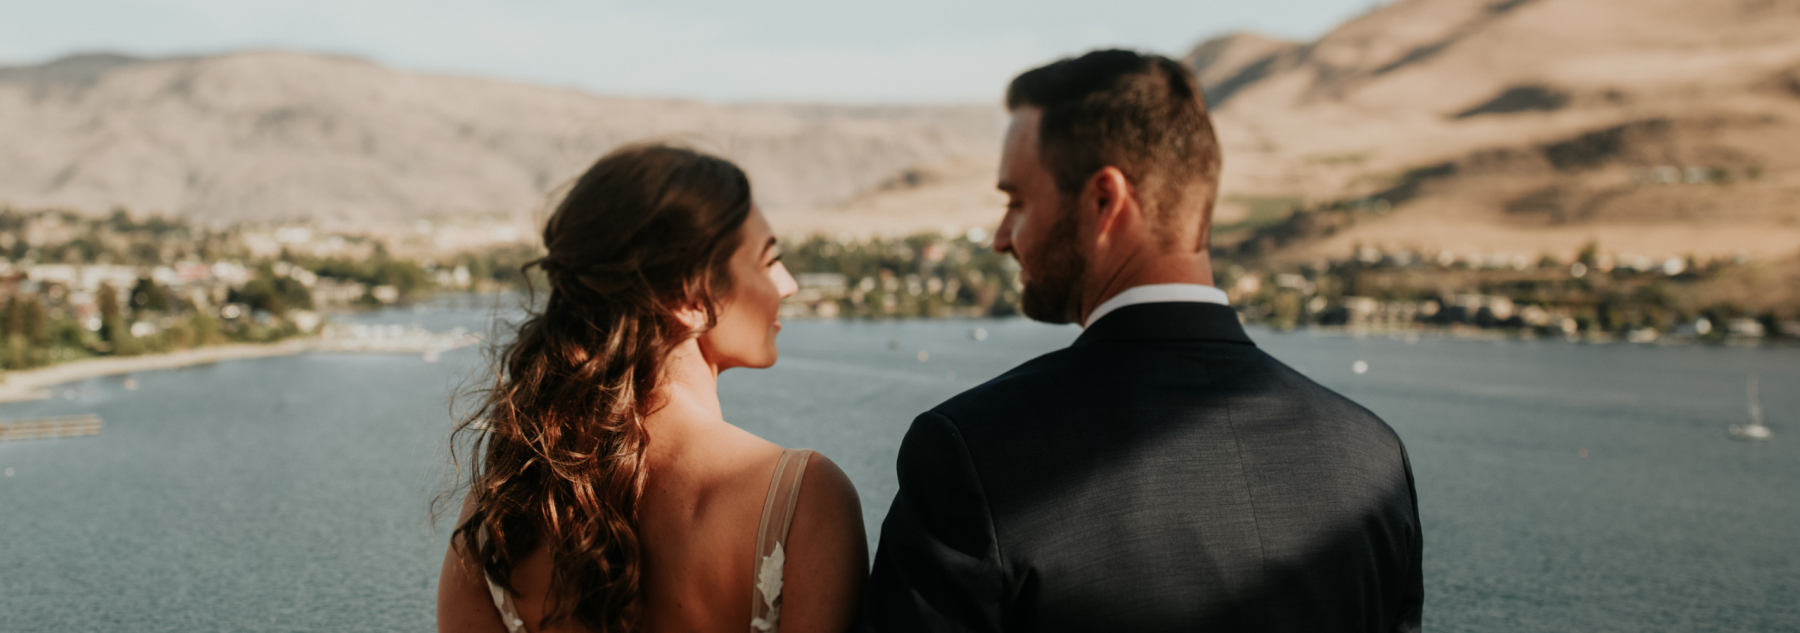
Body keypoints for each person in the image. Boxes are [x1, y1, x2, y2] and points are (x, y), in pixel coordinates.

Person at [855, 50, 1423, 632]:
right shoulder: (1375, 459)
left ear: (1104, 201)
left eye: (1017, 201)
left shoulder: (970, 454)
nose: (1002, 238)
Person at [436, 144, 868, 633]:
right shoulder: (803, 500)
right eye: (770, 262)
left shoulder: (502, 510)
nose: (787, 285)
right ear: (689, 298)